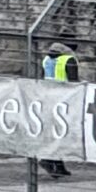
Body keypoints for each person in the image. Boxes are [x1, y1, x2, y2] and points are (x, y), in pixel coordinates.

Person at [38, 42, 78, 177]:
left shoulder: (47, 59)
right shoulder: (69, 59)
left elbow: (41, 78)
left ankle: (58, 165)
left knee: (54, 131)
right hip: (63, 100)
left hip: (47, 98)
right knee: (63, 132)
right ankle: (49, 160)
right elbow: (74, 82)